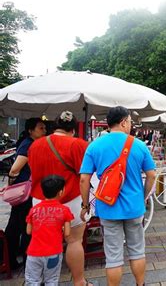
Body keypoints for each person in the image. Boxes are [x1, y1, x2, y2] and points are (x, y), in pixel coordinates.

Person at [79, 106, 156, 286]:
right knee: (137, 251)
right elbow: (152, 175)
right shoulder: (138, 145)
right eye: (129, 121)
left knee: (113, 256)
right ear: (123, 122)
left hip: (107, 208)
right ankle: (140, 284)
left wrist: (85, 205)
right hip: (134, 208)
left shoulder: (95, 146)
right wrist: (143, 197)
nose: (130, 125)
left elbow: (84, 179)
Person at [28, 111, 90, 286]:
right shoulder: (79, 144)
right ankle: (79, 281)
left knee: (41, 241)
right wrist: (86, 204)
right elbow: (84, 176)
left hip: (40, 200)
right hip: (71, 200)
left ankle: (36, 281)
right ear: (73, 129)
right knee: (74, 240)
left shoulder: (35, 146)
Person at [4, 118, 46, 270]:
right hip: (24, 193)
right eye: (41, 128)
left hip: (23, 192)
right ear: (31, 130)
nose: (44, 131)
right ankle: (24, 260)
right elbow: (14, 169)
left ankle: (12, 258)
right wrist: (12, 184)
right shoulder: (28, 145)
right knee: (24, 226)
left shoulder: (29, 143)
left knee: (15, 225)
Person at [25, 175, 73, 285]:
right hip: (54, 252)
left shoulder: (34, 210)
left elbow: (28, 231)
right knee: (51, 280)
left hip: (34, 253)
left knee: (32, 280)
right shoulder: (65, 211)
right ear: (60, 192)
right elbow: (67, 233)